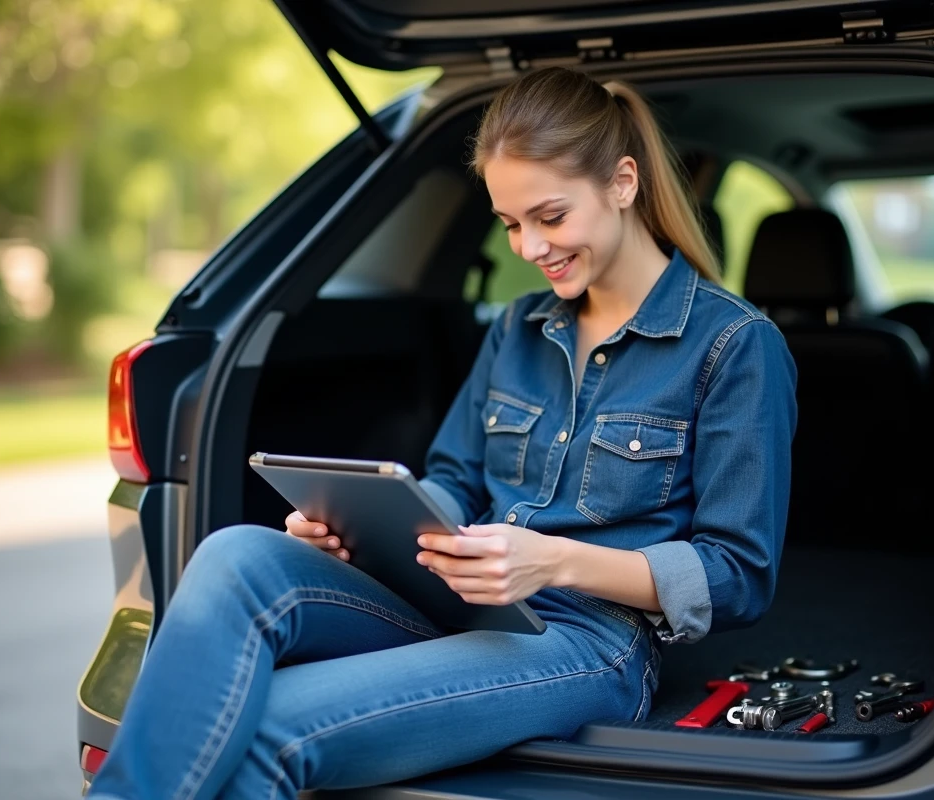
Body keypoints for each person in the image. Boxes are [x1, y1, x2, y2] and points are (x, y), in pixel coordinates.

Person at [87, 66, 797, 800]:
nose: (527, 248)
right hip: (452, 601)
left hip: (592, 641)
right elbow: (454, 480)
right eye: (510, 224)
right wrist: (363, 527)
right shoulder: (518, 332)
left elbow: (737, 574)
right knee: (236, 554)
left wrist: (551, 561)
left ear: (623, 183)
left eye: (550, 217)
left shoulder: (735, 343)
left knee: (262, 729)